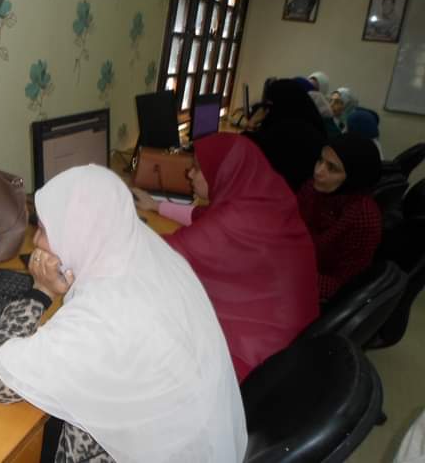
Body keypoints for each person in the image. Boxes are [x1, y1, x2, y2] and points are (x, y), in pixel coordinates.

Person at [0, 165, 247, 463]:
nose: (35, 242)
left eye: (45, 230)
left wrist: (40, 292)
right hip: (192, 441)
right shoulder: (149, 252)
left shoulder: (99, 319)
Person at [134, 133, 319, 383]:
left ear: (222, 172)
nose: (190, 174)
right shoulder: (268, 197)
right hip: (291, 344)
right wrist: (156, 206)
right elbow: (203, 215)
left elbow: (163, 254)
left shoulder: (234, 221)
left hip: (256, 364)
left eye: (197, 169)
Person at [297, 133, 382, 301]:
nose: (318, 171)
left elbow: (343, 286)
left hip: (314, 293)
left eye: (332, 168)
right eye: (320, 160)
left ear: (353, 176)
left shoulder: (363, 219)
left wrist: (290, 274)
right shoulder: (314, 188)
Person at [244, 78, 327, 192]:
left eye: (270, 104)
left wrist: (251, 124)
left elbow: (244, 150)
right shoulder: (309, 123)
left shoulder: (287, 131)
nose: (267, 109)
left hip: (281, 194)